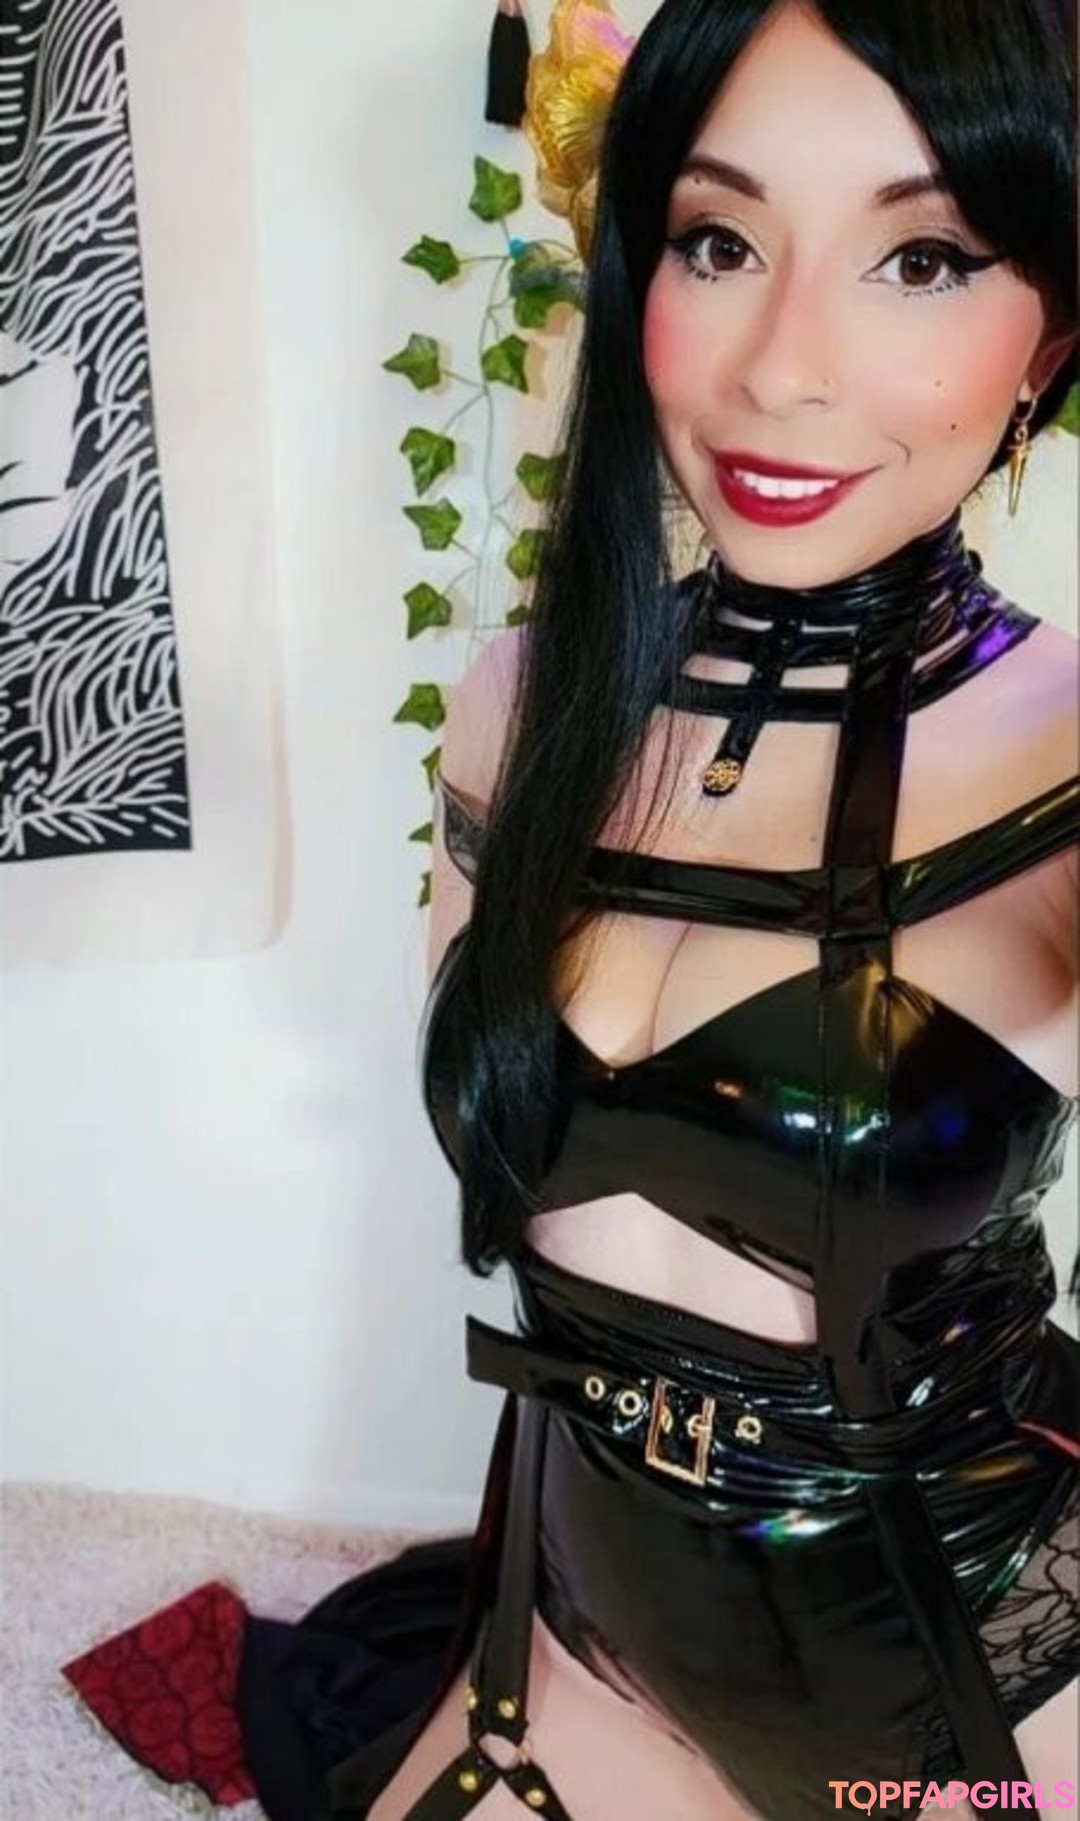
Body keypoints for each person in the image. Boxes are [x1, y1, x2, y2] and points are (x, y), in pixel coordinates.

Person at [62, 2, 1078, 1817]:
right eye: (719, 241)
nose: (782, 367)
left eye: (920, 259)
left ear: (1050, 340)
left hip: (976, 1688)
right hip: (576, 1642)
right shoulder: (515, 707)